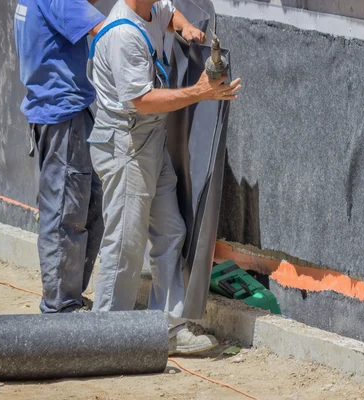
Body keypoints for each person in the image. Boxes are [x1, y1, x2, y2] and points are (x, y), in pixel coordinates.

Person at [87, 0, 242, 355]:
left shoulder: (151, 7)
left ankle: (167, 329)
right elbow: (143, 100)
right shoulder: (124, 33)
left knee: (171, 230)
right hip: (126, 145)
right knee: (126, 244)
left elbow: (168, 13)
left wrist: (184, 26)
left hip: (149, 141)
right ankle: (104, 339)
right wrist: (201, 92)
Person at [14, 0, 105, 313]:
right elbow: (106, 31)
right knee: (67, 212)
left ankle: (68, 297)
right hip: (63, 115)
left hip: (60, 111)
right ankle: (61, 307)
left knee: (90, 203)